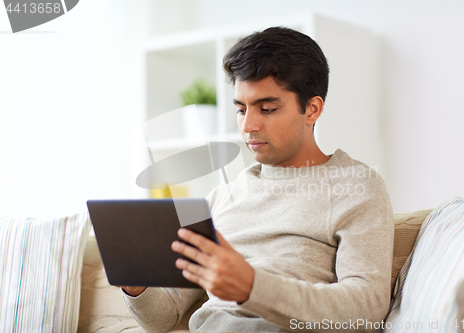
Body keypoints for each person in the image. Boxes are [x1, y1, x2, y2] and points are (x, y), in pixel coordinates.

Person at [121, 27, 394, 332]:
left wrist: (252, 287)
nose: (248, 125)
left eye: (267, 109)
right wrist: (136, 285)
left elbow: (367, 309)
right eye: (240, 110)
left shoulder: (355, 186)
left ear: (312, 109)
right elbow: (162, 316)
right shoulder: (217, 199)